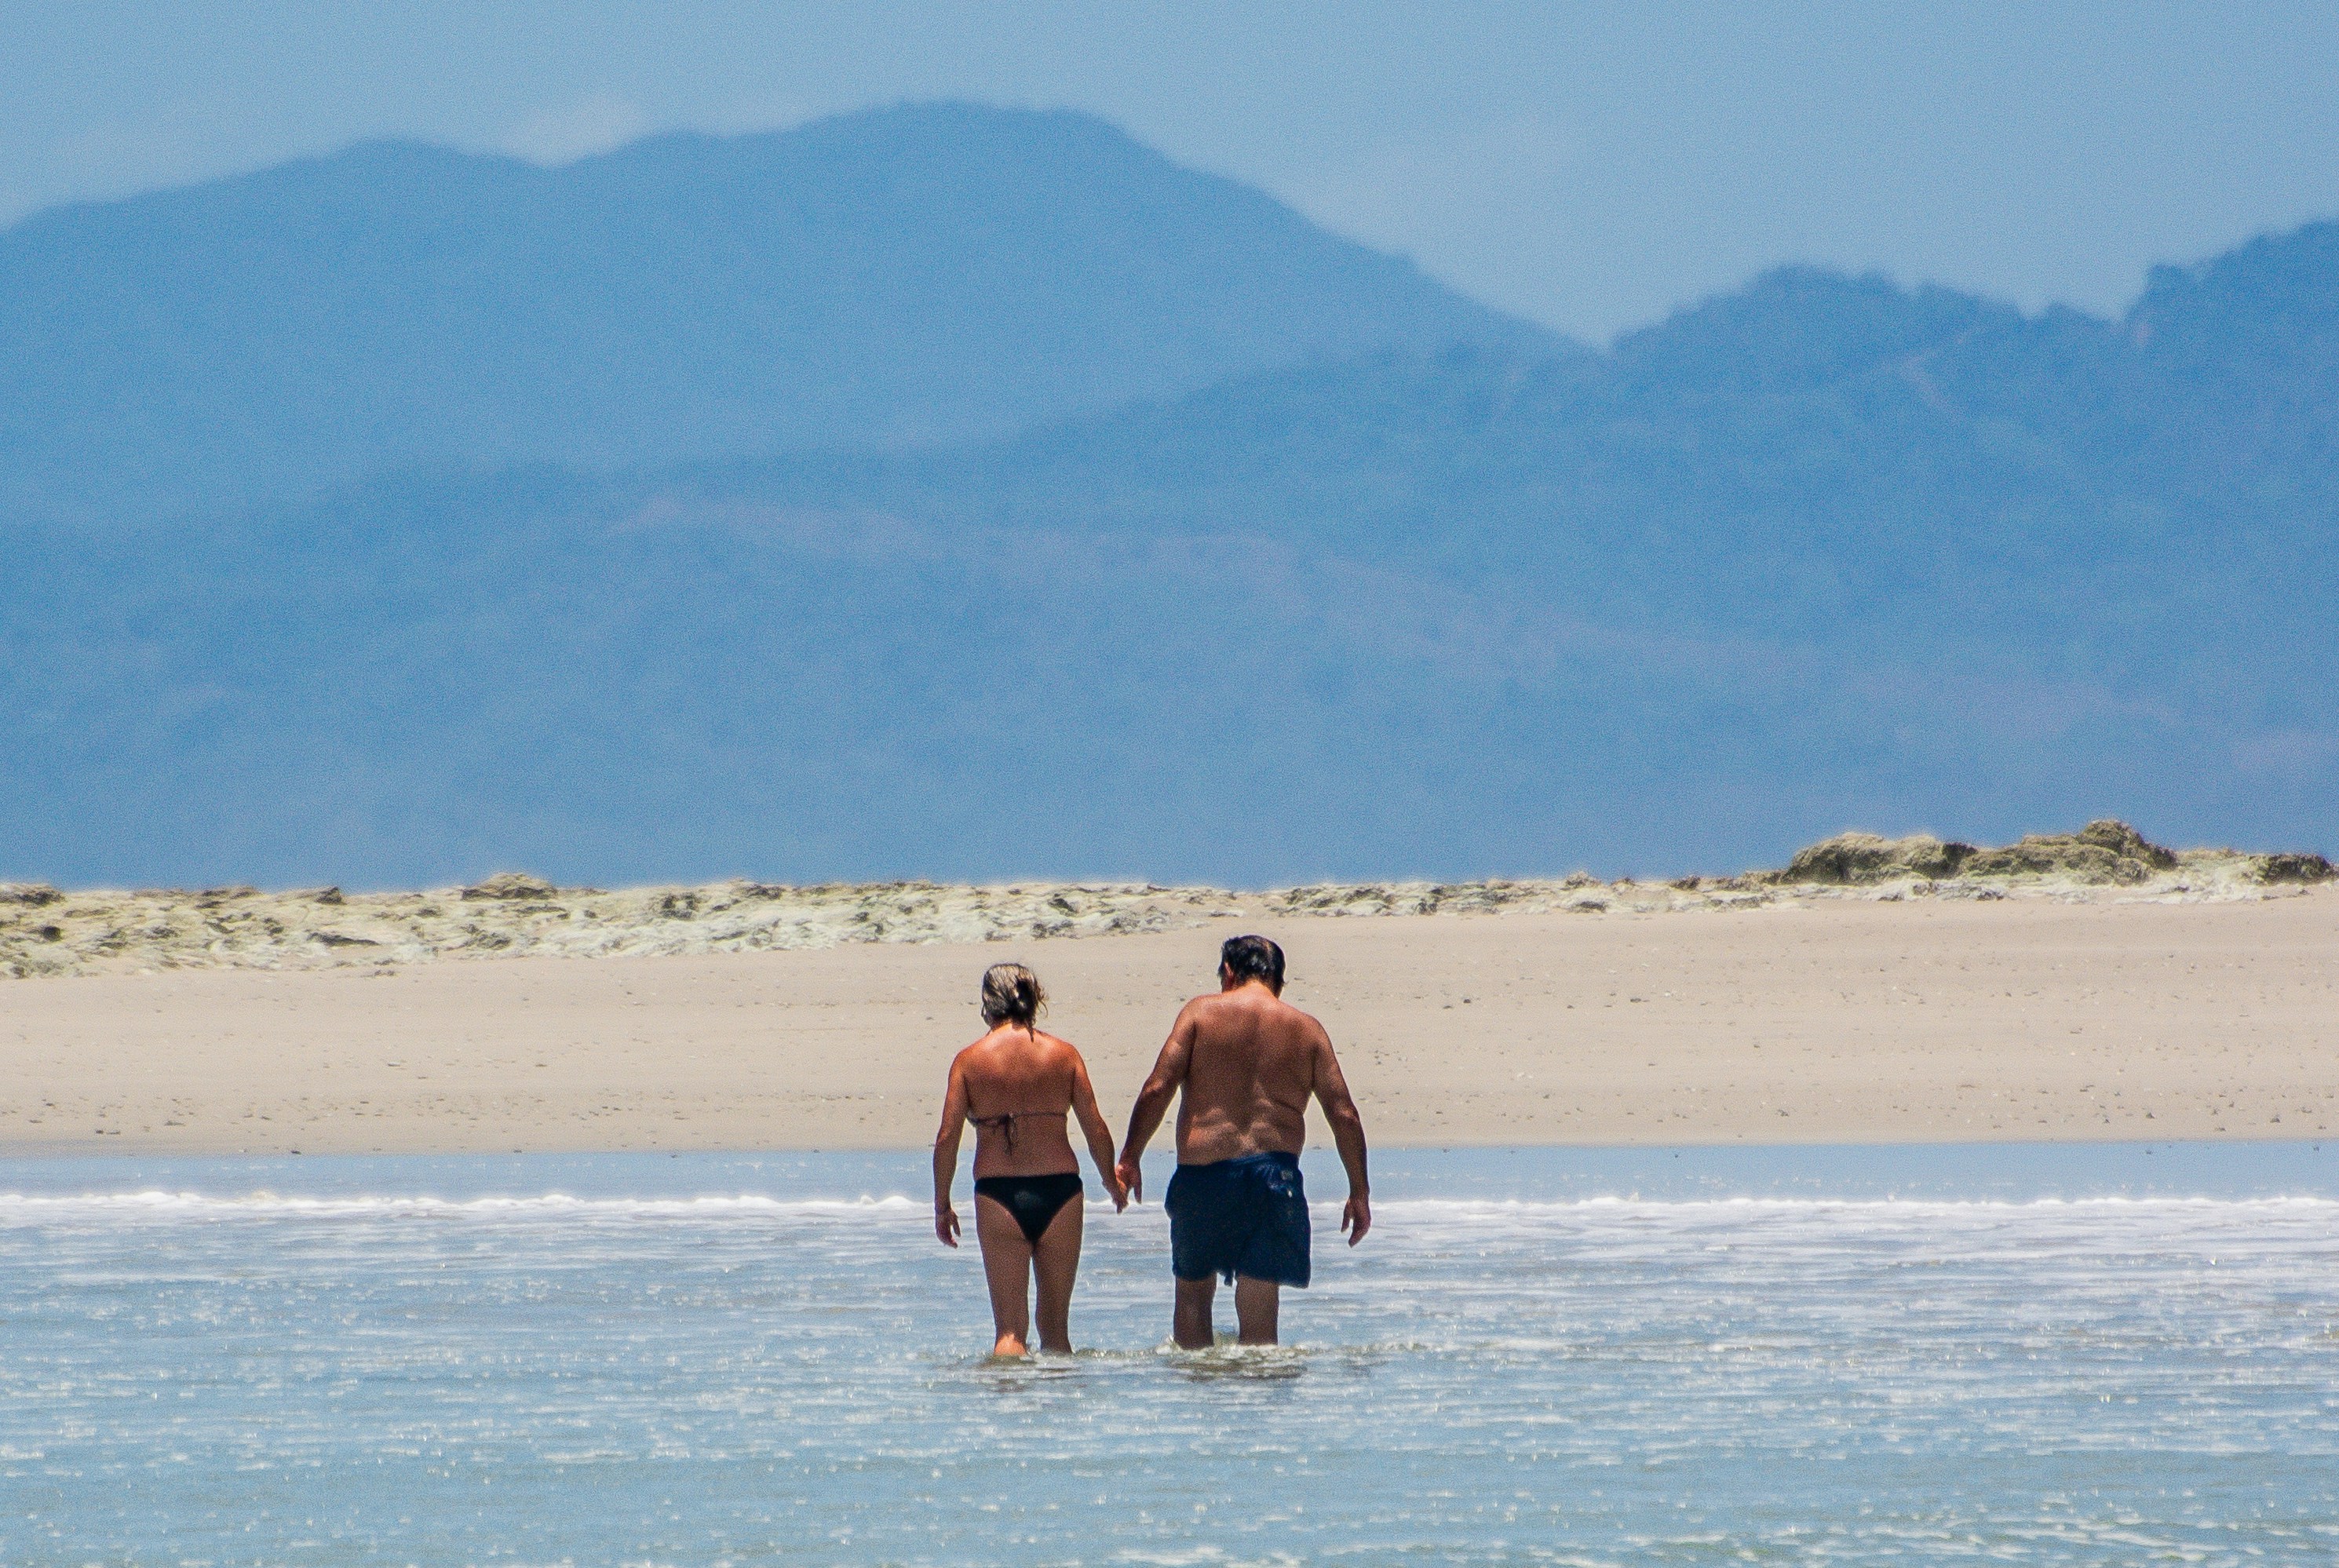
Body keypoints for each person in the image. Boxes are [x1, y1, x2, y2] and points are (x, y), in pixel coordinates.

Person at [1116, 935, 1370, 1349]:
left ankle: (1198, 1402)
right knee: (1260, 1324)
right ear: (1278, 981)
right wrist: (1359, 1191)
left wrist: (1130, 1157)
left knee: (1194, 1300)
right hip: (1275, 1178)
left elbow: (1157, 1088)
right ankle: (1258, 1406)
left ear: (1229, 973)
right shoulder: (1307, 1031)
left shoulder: (1200, 1014)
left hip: (1203, 1178)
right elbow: (1344, 1114)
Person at [932, 962, 1126, 1355]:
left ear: (988, 1003)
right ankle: (1057, 1413)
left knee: (1009, 1333)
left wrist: (942, 1204)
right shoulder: (1064, 1054)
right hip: (1061, 1194)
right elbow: (1095, 1127)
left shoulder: (969, 1061)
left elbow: (947, 1139)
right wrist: (1112, 1181)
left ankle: (1007, 1413)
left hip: (998, 1195)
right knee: (1056, 1332)